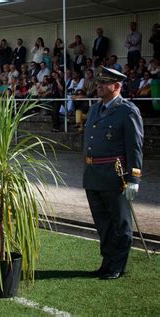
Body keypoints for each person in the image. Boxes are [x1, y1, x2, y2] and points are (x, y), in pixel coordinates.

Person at [83, 66, 143, 280]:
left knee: (120, 223)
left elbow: (134, 146)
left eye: (103, 82)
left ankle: (118, 265)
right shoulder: (94, 109)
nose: (98, 85)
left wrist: (134, 178)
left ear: (116, 86)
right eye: (98, 82)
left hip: (114, 175)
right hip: (93, 174)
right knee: (103, 223)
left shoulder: (127, 111)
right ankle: (107, 261)